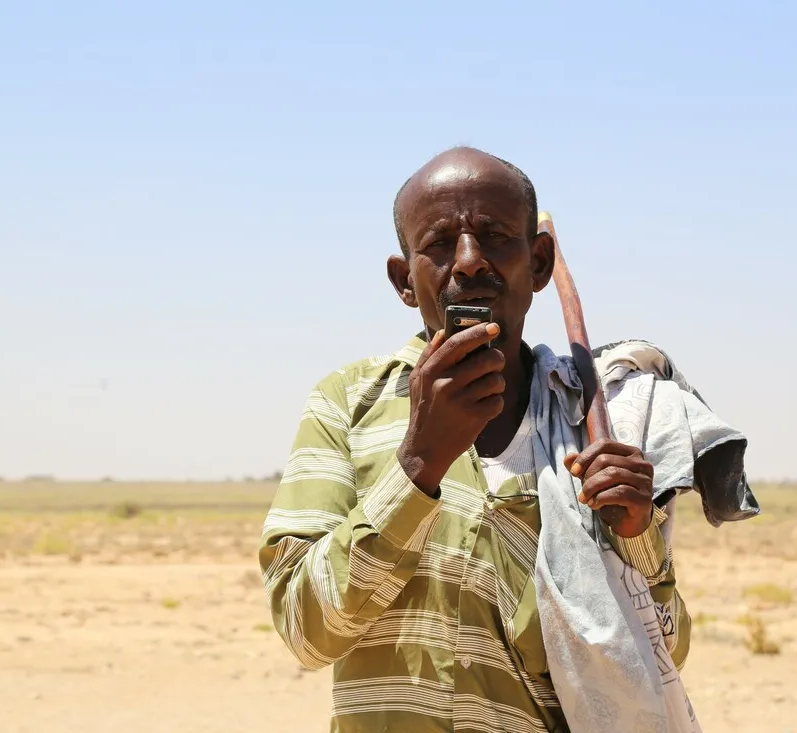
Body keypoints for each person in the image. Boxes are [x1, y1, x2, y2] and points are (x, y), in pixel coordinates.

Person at [258, 147, 700, 733]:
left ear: (539, 263)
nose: (468, 262)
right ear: (404, 281)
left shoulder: (594, 417)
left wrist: (637, 538)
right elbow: (306, 631)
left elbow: (666, 648)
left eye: (494, 236)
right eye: (440, 244)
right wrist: (419, 463)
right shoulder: (347, 402)